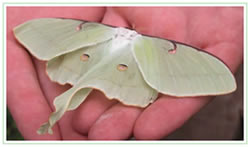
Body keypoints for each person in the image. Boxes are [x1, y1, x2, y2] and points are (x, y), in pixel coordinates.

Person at [7, 7, 243, 140]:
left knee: (79, 87)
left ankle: (54, 116)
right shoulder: (153, 44)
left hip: (100, 51)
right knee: (79, 88)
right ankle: (56, 115)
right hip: (119, 63)